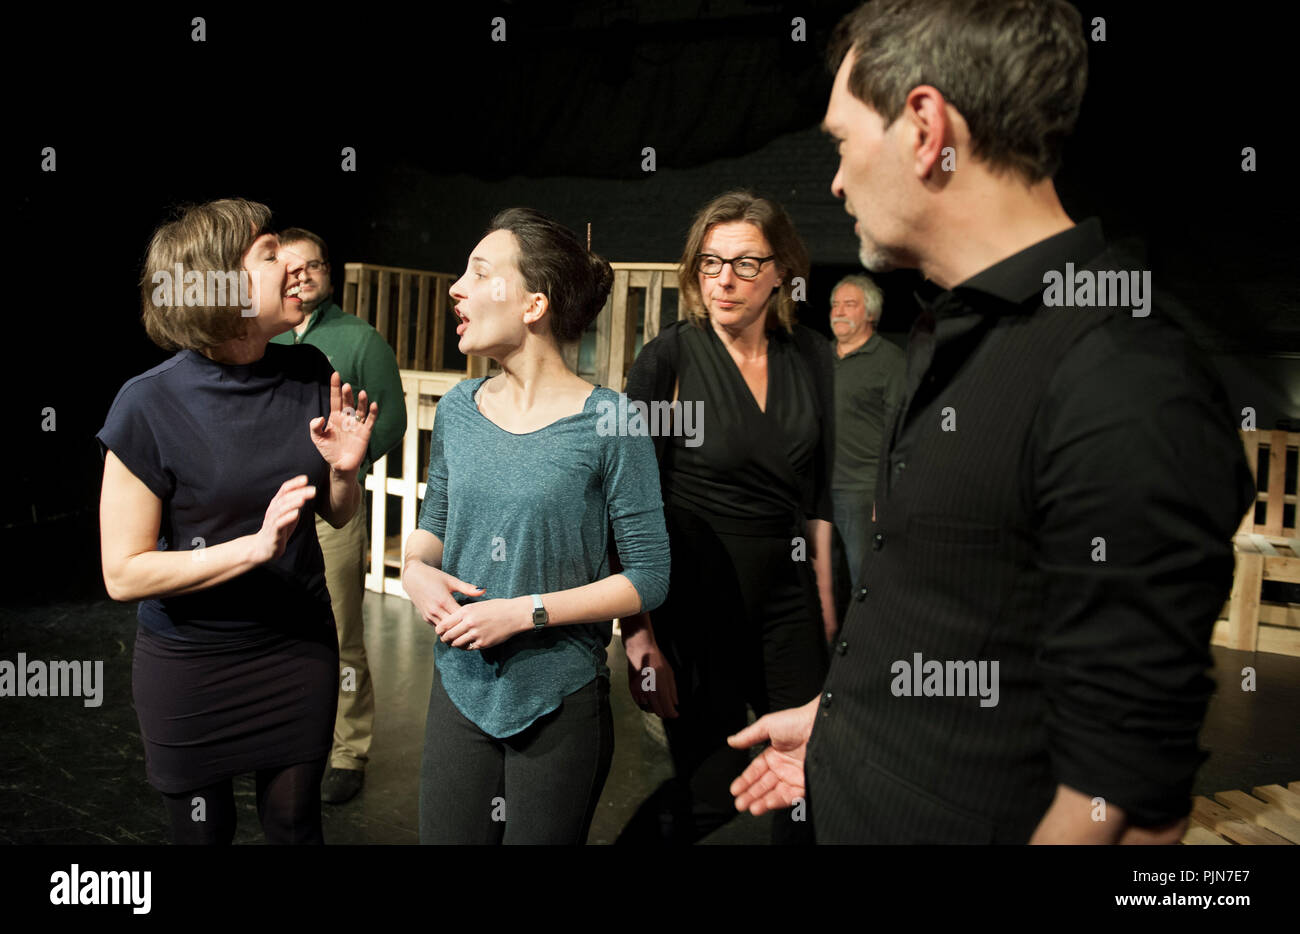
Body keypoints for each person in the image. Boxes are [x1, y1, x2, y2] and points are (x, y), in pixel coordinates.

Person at [729, 0, 1255, 843]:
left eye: (840, 142)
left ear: (926, 127)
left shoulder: (1124, 380)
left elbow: (1121, 804)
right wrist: (844, 720)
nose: (834, 179)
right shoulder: (956, 331)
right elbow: (959, 613)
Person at [97, 198, 378, 844]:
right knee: (204, 833)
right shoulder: (148, 404)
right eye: (271, 253)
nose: (295, 267)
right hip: (193, 664)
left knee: (293, 823)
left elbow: (335, 512)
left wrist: (343, 471)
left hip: (295, 648)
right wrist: (252, 549)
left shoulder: (310, 372)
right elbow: (124, 571)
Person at [401, 207, 670, 845]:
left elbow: (649, 576)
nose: (455, 288)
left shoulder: (613, 420)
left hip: (559, 699)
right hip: (460, 689)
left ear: (533, 304)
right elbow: (435, 514)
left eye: (479, 272)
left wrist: (526, 612)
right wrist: (415, 569)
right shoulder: (461, 410)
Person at [617, 191, 834, 845]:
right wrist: (639, 637)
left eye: (745, 263)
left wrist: (827, 609)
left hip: (789, 599)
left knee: (808, 781)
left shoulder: (812, 357)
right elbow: (629, 502)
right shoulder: (669, 360)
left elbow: (820, 497)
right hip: (694, 603)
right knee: (712, 793)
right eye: (711, 263)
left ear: (779, 272)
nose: (725, 279)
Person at [271, 228, 407, 805]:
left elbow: (393, 421)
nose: (302, 275)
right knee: (273, 623)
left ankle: (348, 749)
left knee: (342, 629)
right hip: (267, 506)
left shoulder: (360, 339)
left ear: (330, 274)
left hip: (333, 506)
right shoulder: (263, 335)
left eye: (313, 266)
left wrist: (344, 470)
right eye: (290, 267)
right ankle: (284, 733)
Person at [828, 274, 904, 597]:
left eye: (850, 304)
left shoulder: (890, 361)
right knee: (821, 585)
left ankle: (870, 646)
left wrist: (884, 494)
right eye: (834, 304)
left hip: (862, 492)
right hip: (817, 493)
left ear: (870, 314)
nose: (838, 312)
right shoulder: (819, 356)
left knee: (866, 581)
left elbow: (901, 432)